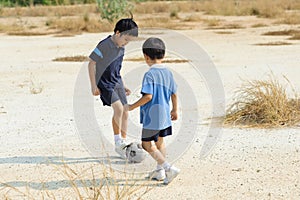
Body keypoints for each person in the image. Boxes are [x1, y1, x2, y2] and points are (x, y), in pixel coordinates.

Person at [128, 37, 180, 185]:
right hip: (165, 115)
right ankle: (160, 172)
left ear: (146, 56)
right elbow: (174, 93)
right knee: (160, 142)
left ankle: (168, 168)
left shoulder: (149, 74)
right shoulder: (168, 72)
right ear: (163, 54)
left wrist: (131, 106)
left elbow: (148, 96)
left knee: (146, 144)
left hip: (153, 116)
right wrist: (175, 110)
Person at [88, 18, 138, 159]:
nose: (126, 43)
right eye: (126, 40)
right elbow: (91, 63)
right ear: (118, 33)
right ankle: (117, 143)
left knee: (126, 111)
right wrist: (93, 85)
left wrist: (123, 84)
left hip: (117, 82)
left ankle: (123, 142)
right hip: (104, 83)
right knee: (119, 109)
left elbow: (116, 69)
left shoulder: (121, 48)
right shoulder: (104, 45)